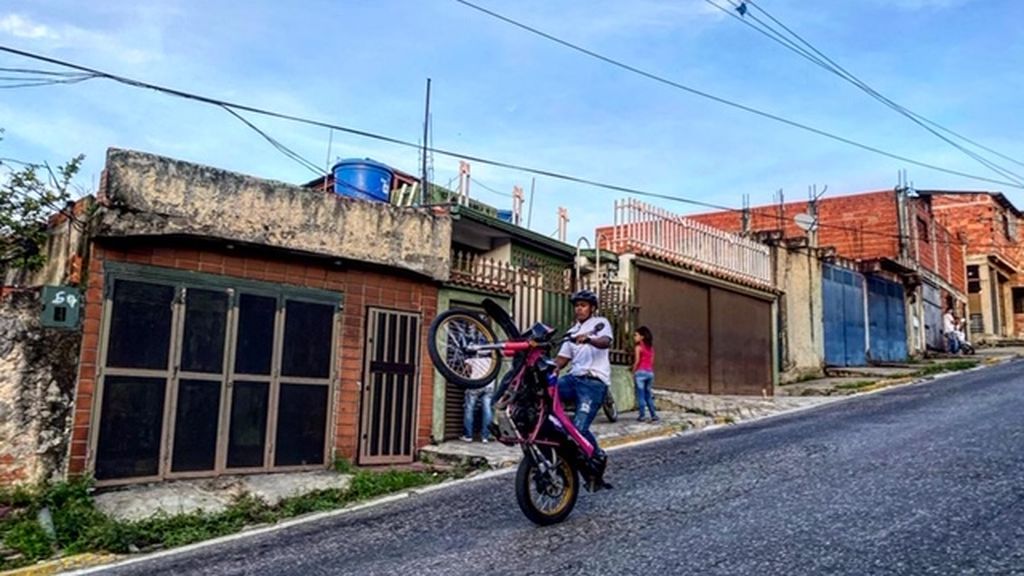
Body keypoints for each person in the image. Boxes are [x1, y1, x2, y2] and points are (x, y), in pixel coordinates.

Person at [556, 290, 614, 457]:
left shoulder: (600, 323)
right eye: (576, 306)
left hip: (593, 383)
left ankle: (597, 457)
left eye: (583, 305)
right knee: (545, 391)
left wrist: (589, 340)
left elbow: (605, 342)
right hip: (573, 380)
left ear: (592, 308)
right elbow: (561, 360)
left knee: (579, 428)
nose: (579, 309)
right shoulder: (571, 332)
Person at [461, 358, 494, 443]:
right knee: (487, 410)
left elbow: (466, 371)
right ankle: (485, 437)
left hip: (475, 383)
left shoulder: (473, 355)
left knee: (469, 409)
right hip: (489, 385)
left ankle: (468, 436)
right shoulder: (493, 358)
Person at [632, 326, 659, 423]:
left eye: (636, 335)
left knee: (640, 395)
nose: (634, 337)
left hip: (640, 372)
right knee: (648, 395)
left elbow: (637, 361)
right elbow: (651, 362)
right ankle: (653, 415)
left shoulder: (638, 347)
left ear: (642, 337)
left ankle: (642, 415)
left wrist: (633, 371)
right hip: (650, 373)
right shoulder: (651, 348)